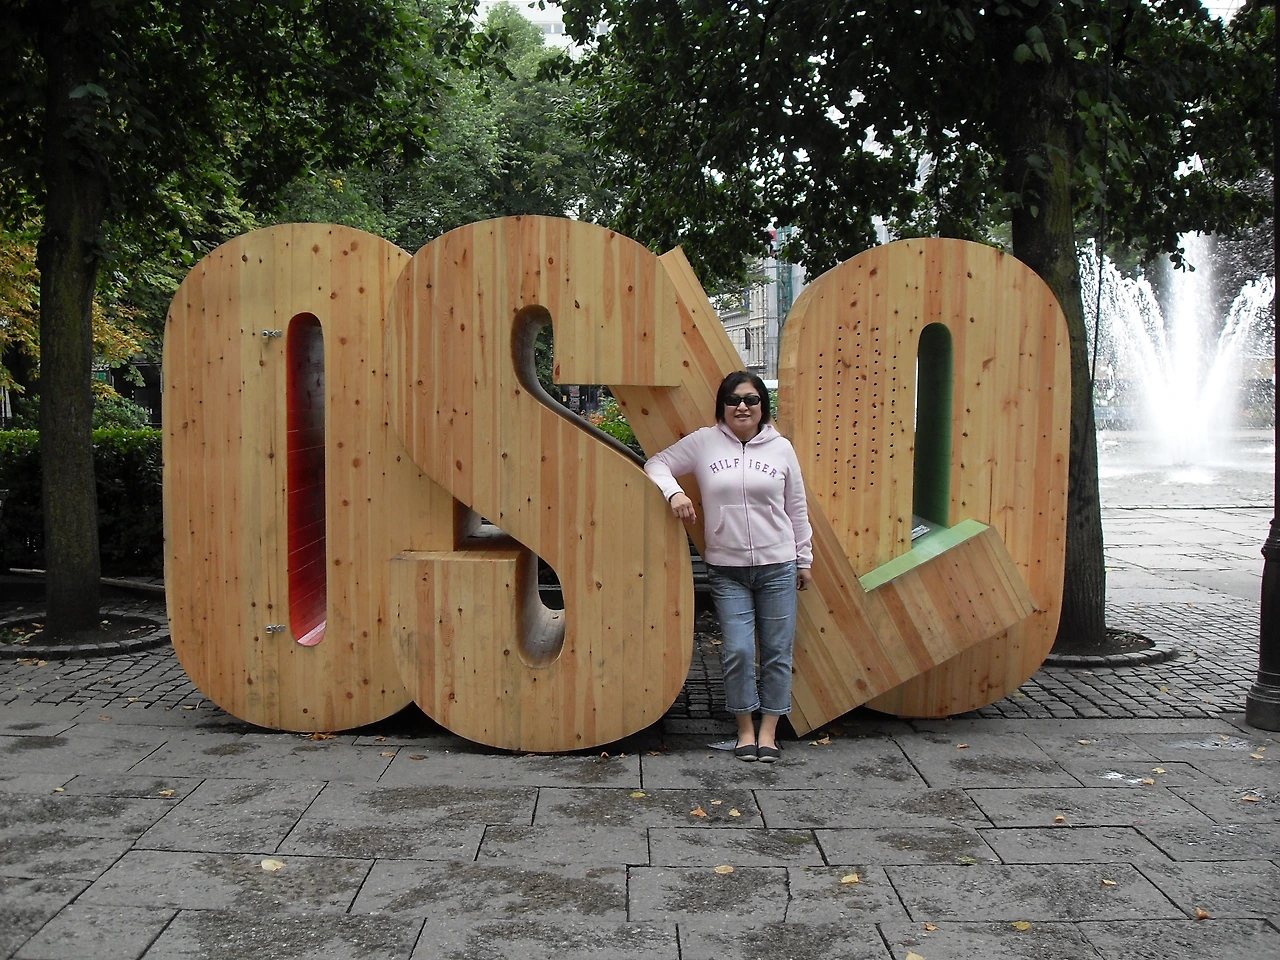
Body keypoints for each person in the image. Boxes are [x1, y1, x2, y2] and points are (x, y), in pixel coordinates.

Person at [644, 371, 813, 762]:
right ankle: (745, 729)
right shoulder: (704, 442)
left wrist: (804, 559)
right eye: (734, 400)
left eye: (751, 399)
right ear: (722, 406)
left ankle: (768, 732)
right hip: (726, 568)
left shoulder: (781, 448)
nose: (742, 407)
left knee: (777, 652)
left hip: (778, 565)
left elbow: (796, 506)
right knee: (737, 650)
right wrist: (674, 493)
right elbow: (657, 463)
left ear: (762, 406)